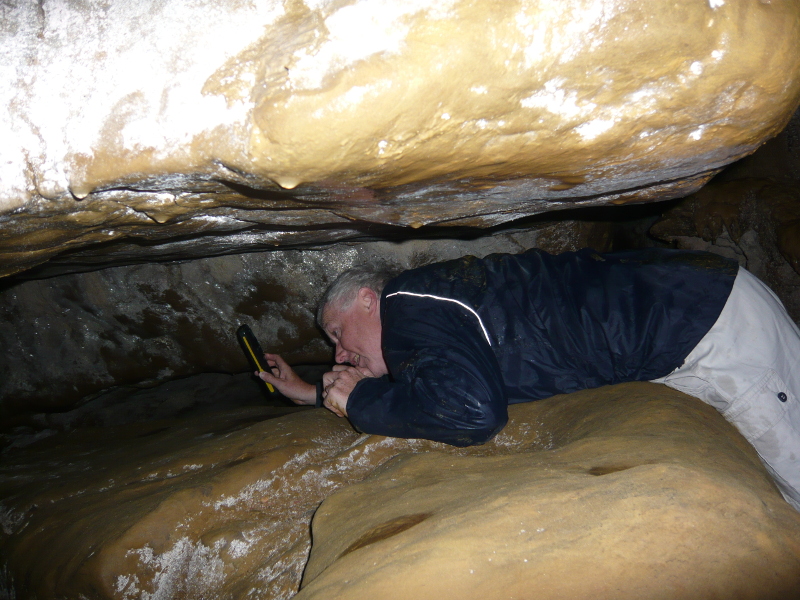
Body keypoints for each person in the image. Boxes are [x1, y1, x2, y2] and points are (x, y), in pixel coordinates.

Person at [258, 248, 800, 510]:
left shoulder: (407, 303)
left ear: (369, 299)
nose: (339, 351)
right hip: (695, 320)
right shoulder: (432, 320)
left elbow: (472, 412)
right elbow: (433, 389)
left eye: (337, 332)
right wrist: (311, 393)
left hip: (707, 322)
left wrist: (362, 402)